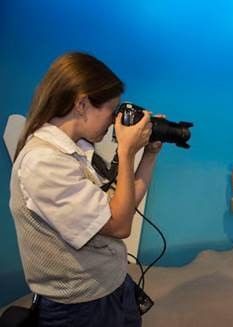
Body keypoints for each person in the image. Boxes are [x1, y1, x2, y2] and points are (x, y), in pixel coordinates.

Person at [9, 52, 162, 326]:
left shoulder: (74, 152)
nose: (114, 121)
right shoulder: (44, 162)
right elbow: (119, 226)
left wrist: (149, 156)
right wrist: (126, 152)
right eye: (111, 111)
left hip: (112, 286)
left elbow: (120, 209)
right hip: (81, 306)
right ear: (82, 104)